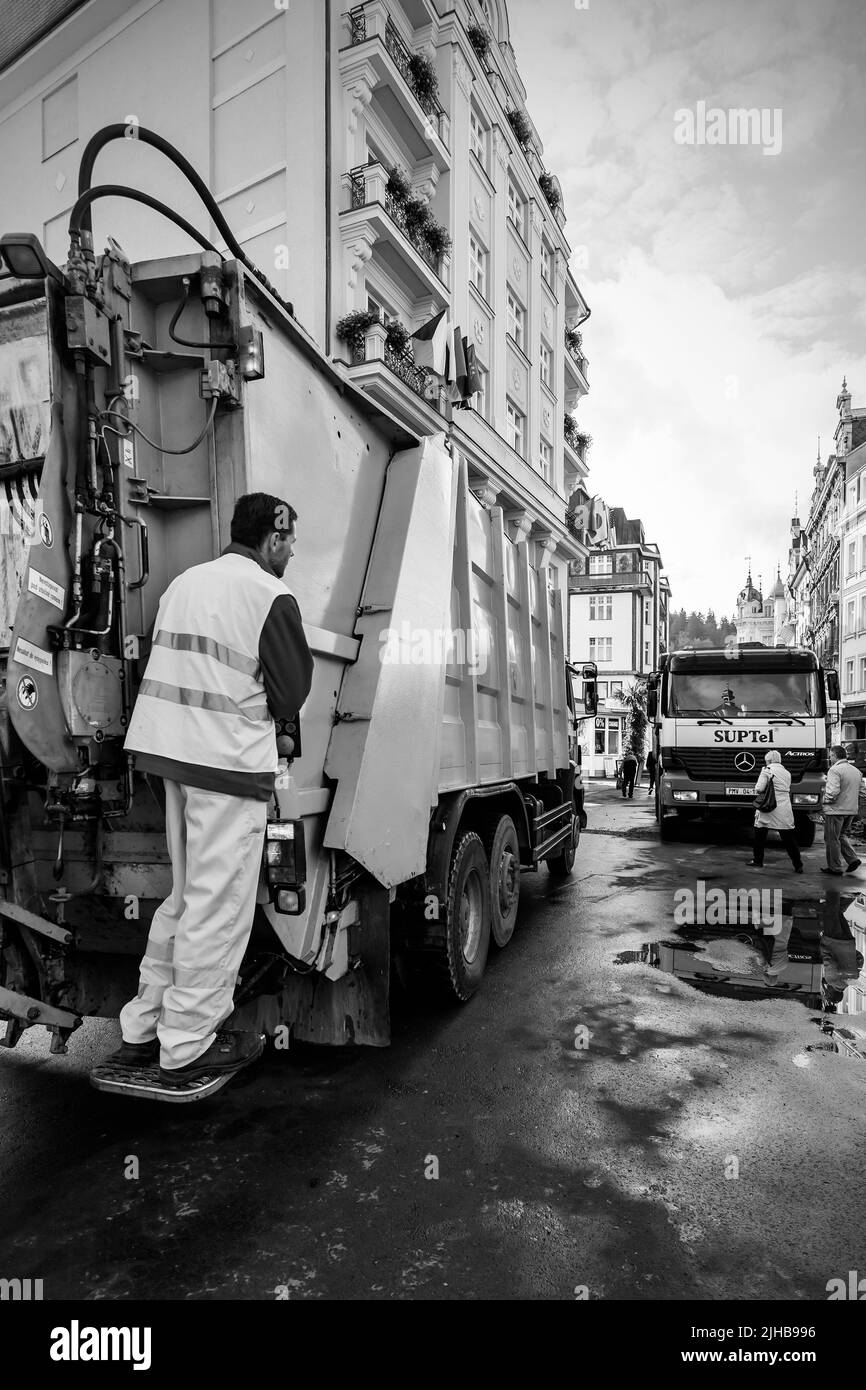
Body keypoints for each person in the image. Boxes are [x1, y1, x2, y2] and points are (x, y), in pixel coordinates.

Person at [110, 493, 314, 1086]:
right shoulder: (270, 596)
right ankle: (187, 1043)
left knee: (183, 897)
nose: (292, 553)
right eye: (290, 542)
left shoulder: (182, 584)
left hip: (169, 759)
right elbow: (290, 694)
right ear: (272, 539)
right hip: (225, 768)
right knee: (218, 906)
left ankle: (142, 1029)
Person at [747, 749, 803, 872]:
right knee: (788, 837)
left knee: (760, 834)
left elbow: (759, 788)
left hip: (768, 805)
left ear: (769, 760)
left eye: (767, 761)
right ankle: (798, 864)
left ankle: (758, 860)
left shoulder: (766, 771)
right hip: (784, 807)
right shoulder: (786, 772)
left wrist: (760, 780)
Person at [821, 744, 863, 877]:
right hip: (850, 810)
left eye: (831, 756)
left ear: (834, 755)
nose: (830, 758)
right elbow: (863, 792)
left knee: (831, 838)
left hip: (836, 810)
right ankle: (853, 859)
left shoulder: (835, 770)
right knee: (841, 835)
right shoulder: (856, 771)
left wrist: (824, 801)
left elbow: (832, 792)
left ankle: (835, 867)